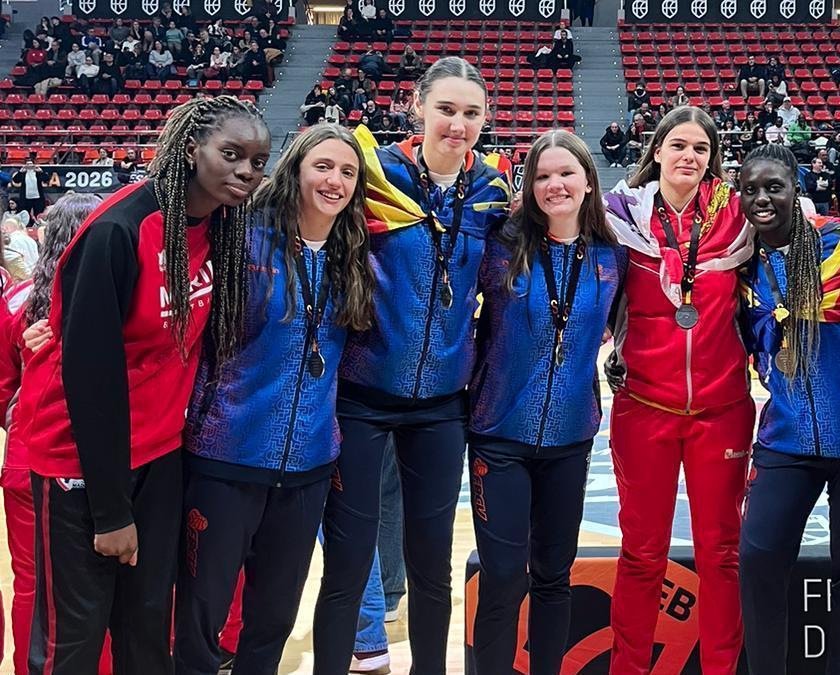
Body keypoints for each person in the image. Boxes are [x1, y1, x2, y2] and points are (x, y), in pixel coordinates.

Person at [14, 95, 268, 674]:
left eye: (257, 161)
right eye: (231, 154)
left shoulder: (221, 227)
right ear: (191, 149)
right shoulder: (119, 230)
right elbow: (90, 378)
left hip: (158, 455)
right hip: (79, 458)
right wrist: (110, 511)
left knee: (148, 628)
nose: (246, 172)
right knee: (74, 643)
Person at [316, 57, 512, 675]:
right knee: (347, 566)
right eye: (446, 109)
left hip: (442, 406)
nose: (458, 124)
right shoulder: (373, 174)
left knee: (433, 568)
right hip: (361, 395)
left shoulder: (493, 192)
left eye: (471, 113)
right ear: (418, 106)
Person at [172, 124, 375, 675]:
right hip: (225, 457)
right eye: (323, 166)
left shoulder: (354, 257)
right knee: (200, 618)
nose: (335, 181)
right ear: (295, 170)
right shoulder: (241, 240)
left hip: (308, 468)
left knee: (273, 621)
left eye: (347, 172)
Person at [603, 106, 754, 674]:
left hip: (723, 411)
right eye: (679, 145)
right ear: (658, 150)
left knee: (721, 555)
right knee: (642, 554)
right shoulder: (620, 217)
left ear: (712, 159)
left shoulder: (740, 218)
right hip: (644, 409)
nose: (689, 156)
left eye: (701, 148)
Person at [468, 131, 621, 674]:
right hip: (499, 436)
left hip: (570, 439)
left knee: (554, 577)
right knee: (504, 576)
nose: (555, 185)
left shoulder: (612, 255)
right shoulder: (499, 247)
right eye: (543, 175)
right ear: (529, 186)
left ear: (588, 181)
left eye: (566, 173)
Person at [737, 143, 840, 675]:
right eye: (750, 189)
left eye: (773, 187)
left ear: (796, 189)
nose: (761, 198)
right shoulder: (738, 263)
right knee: (758, 561)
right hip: (785, 439)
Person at [0, 194, 101, 675]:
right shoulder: (117, 295)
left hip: (27, 459)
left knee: (31, 584)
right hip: (100, 463)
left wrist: (23, 420)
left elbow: (4, 390)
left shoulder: (16, 302)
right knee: (98, 584)